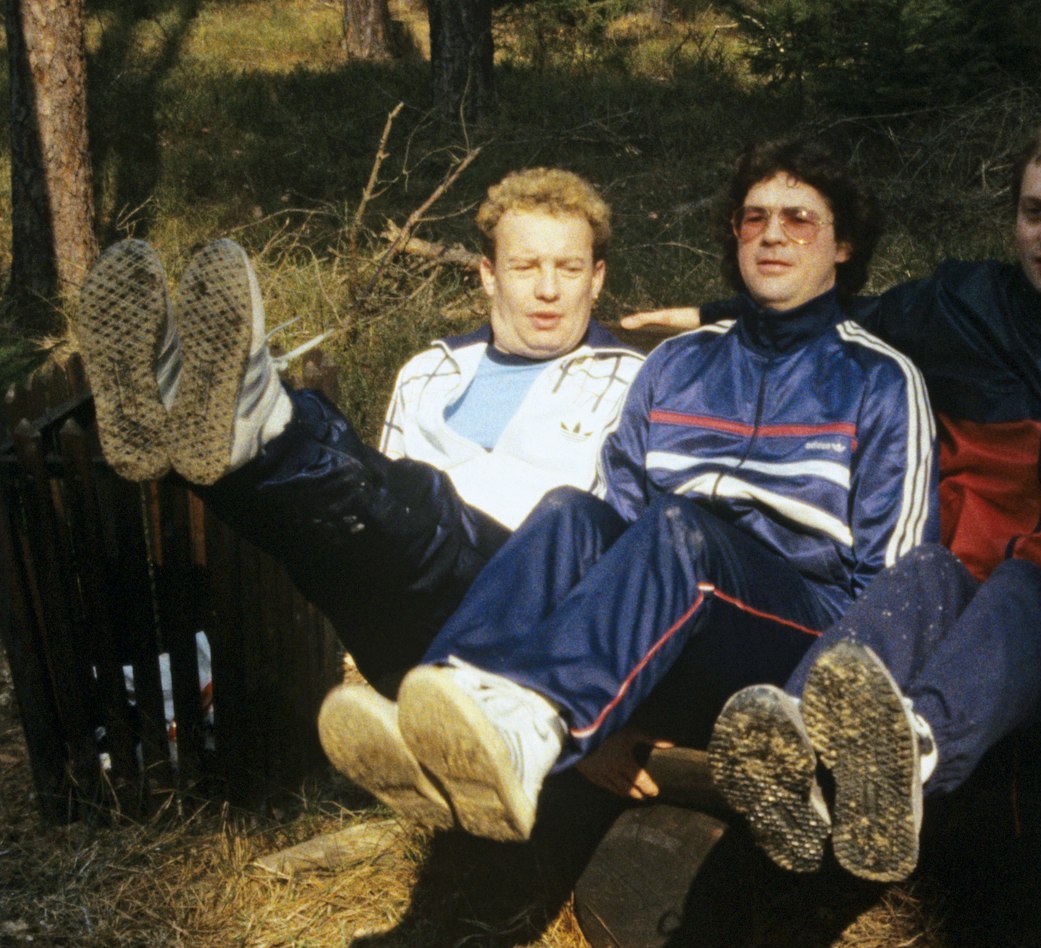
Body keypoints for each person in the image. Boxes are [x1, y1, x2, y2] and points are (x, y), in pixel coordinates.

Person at [627, 114, 1041, 882]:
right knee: (923, 571)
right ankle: (784, 743)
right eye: (1034, 213)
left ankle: (909, 755)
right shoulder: (962, 307)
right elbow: (829, 310)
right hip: (964, 611)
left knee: (1024, 589)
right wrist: (709, 316)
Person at [317, 138, 936, 844]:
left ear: (844, 244)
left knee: (682, 531)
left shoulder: (881, 380)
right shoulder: (675, 365)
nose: (771, 233)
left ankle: (537, 727)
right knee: (570, 513)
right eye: (753, 217)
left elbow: (895, 587)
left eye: (798, 219)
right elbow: (613, 543)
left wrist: (825, 716)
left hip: (795, 647)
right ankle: (443, 706)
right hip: (676, 634)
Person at [73, 168, 645, 696]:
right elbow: (371, 504)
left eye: (569, 269)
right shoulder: (428, 373)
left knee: (412, 503)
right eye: (526, 267)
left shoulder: (635, 382)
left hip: (526, 627)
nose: (549, 290)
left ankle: (264, 422)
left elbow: (619, 549)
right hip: (405, 636)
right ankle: (195, 413)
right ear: (489, 276)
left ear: (596, 280)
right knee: (322, 522)